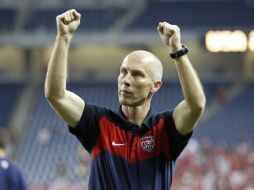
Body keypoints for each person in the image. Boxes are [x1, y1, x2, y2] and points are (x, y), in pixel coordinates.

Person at [45, 9, 206, 189]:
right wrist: (63, 38)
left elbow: (196, 105)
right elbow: (56, 95)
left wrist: (177, 50)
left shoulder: (165, 129)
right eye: (123, 72)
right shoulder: (100, 124)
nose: (126, 80)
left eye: (137, 75)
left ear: (156, 85)